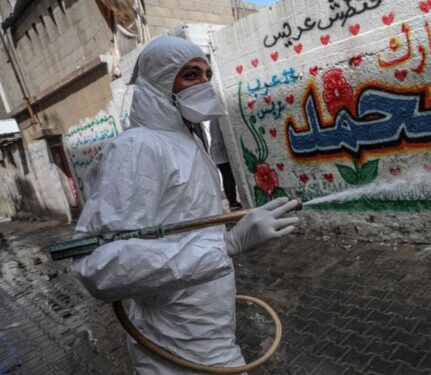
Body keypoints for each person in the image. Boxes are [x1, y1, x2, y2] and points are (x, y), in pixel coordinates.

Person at [72, 36, 299, 374]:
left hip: (210, 331)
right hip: (173, 347)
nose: (204, 83)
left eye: (206, 74)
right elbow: (100, 265)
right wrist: (226, 244)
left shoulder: (187, 141)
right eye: (191, 75)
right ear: (160, 82)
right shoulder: (137, 149)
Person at [208, 119, 242, 211]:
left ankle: (233, 201)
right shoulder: (218, 118)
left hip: (219, 152)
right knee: (228, 177)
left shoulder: (214, 119)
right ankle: (232, 202)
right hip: (221, 153)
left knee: (228, 177)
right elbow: (220, 137)